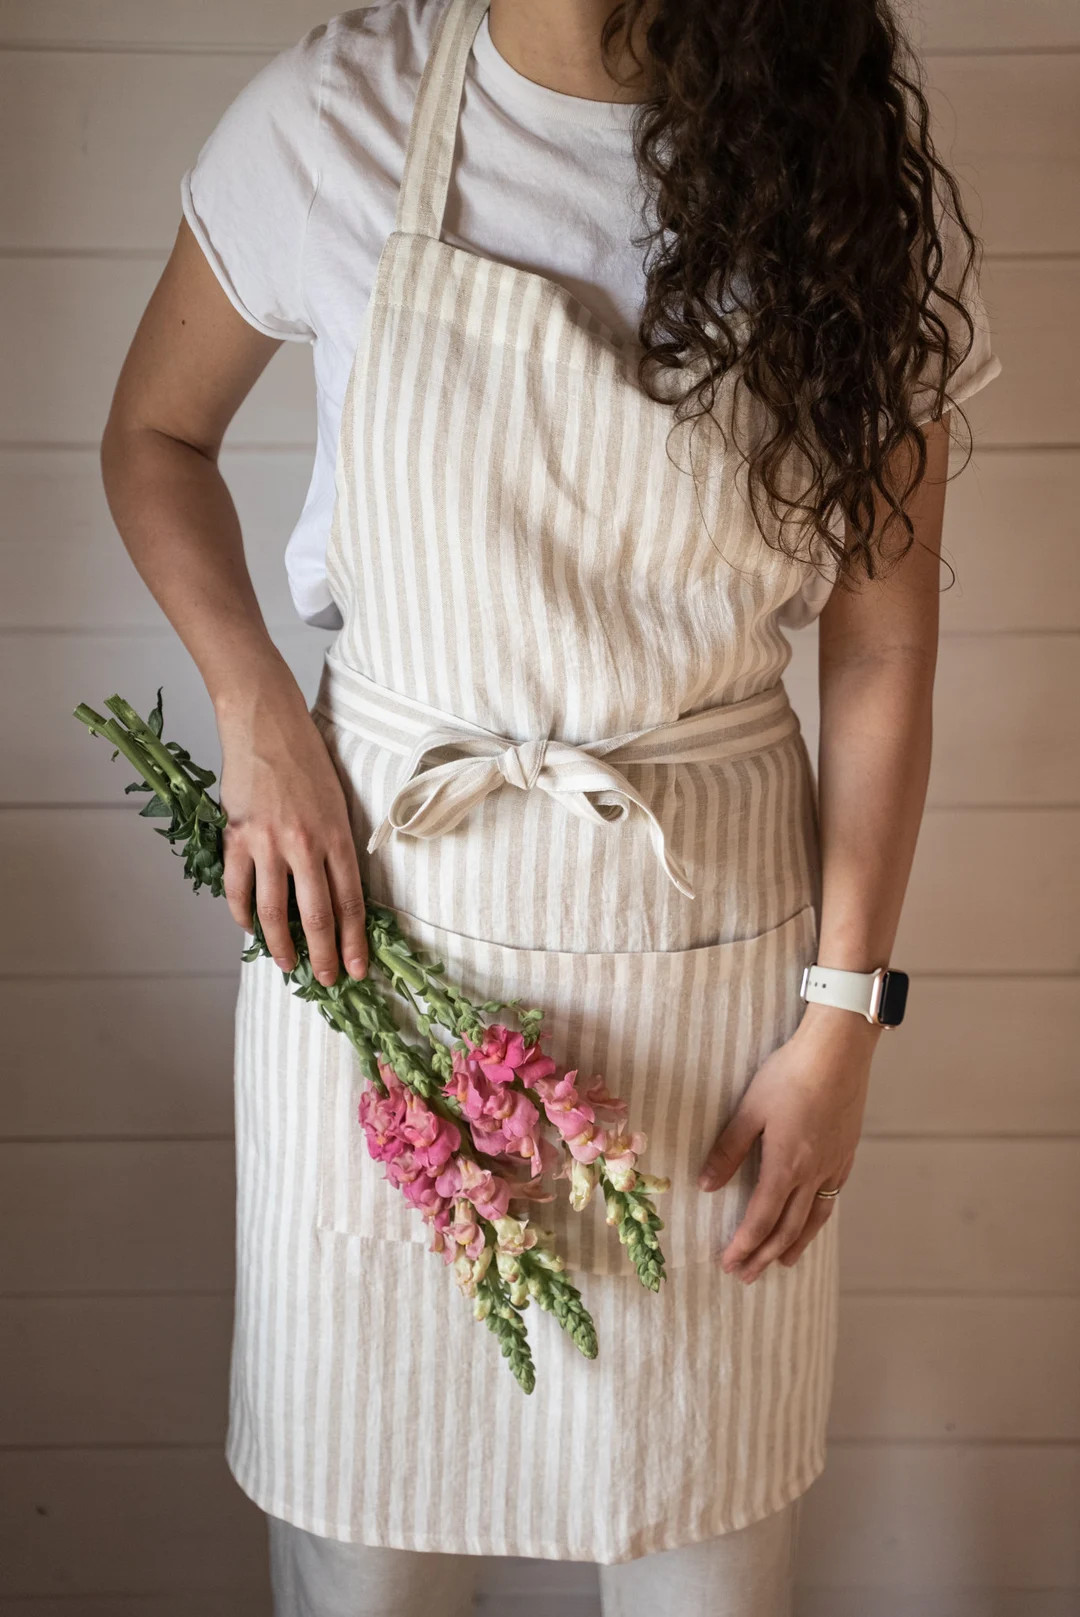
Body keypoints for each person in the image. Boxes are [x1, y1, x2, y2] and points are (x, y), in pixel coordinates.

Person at [99, 0, 1002, 1612]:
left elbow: (881, 641)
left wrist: (846, 1016)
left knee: (704, 1559)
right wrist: (256, 710)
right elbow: (156, 436)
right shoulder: (338, 115)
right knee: (362, 1560)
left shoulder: (829, 154)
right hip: (378, 938)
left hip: (712, 1004)